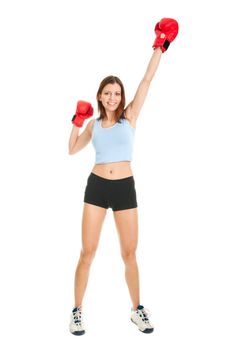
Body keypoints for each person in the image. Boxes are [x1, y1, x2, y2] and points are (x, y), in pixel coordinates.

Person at [68, 18, 179, 335]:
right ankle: (77, 311)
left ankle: (137, 309)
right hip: (97, 186)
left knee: (129, 253)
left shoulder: (129, 117)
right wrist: (77, 120)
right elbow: (73, 149)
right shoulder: (93, 125)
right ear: (100, 96)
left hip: (124, 189)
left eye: (117, 93)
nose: (113, 97)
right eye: (108, 93)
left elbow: (146, 81)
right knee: (87, 252)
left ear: (121, 96)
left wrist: (160, 46)